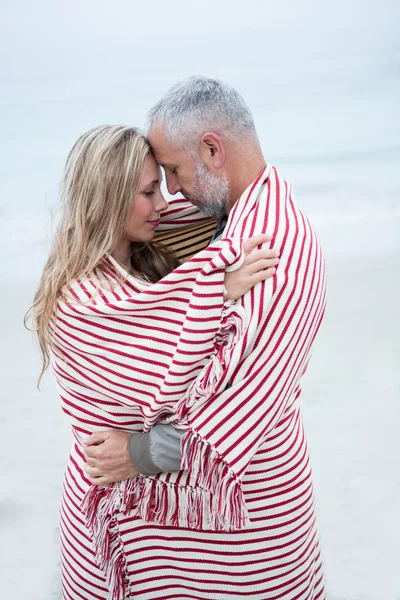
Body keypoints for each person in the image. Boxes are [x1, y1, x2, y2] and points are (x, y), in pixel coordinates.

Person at [81, 76, 327, 599]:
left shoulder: (272, 249)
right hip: (186, 546)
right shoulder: (218, 214)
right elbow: (114, 215)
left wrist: (135, 453)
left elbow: (230, 414)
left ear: (212, 150)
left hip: (248, 538)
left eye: (172, 171)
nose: (168, 194)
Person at [27, 123, 280, 600]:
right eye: (148, 192)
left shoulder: (145, 261)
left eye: (163, 185)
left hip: (146, 506)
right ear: (108, 197)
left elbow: (219, 209)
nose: (163, 204)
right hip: (109, 503)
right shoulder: (81, 297)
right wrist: (219, 287)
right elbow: (160, 365)